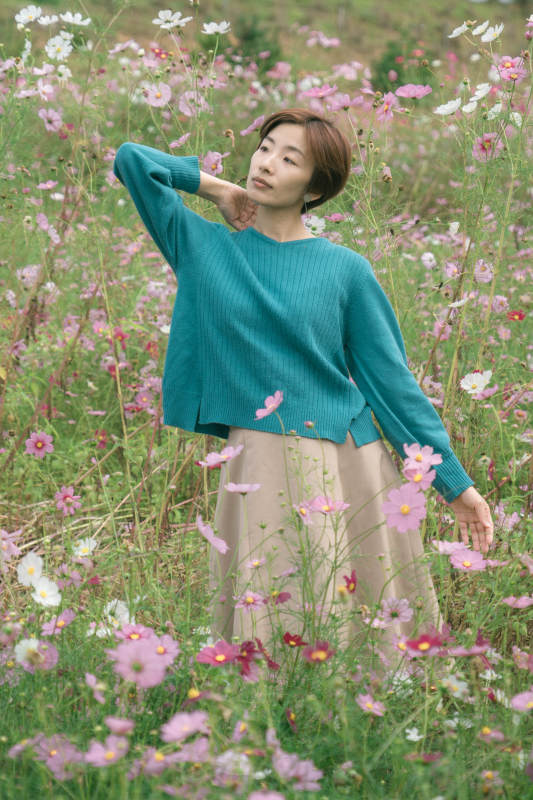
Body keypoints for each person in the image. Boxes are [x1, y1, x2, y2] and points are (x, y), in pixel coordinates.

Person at [113, 108, 494, 666]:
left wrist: (456, 486)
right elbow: (132, 160)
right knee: (272, 630)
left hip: (349, 460)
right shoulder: (204, 247)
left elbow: (392, 385)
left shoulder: (345, 270)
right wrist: (218, 188)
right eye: (265, 147)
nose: (267, 164)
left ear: (315, 187)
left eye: (290, 159)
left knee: (367, 638)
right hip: (260, 456)